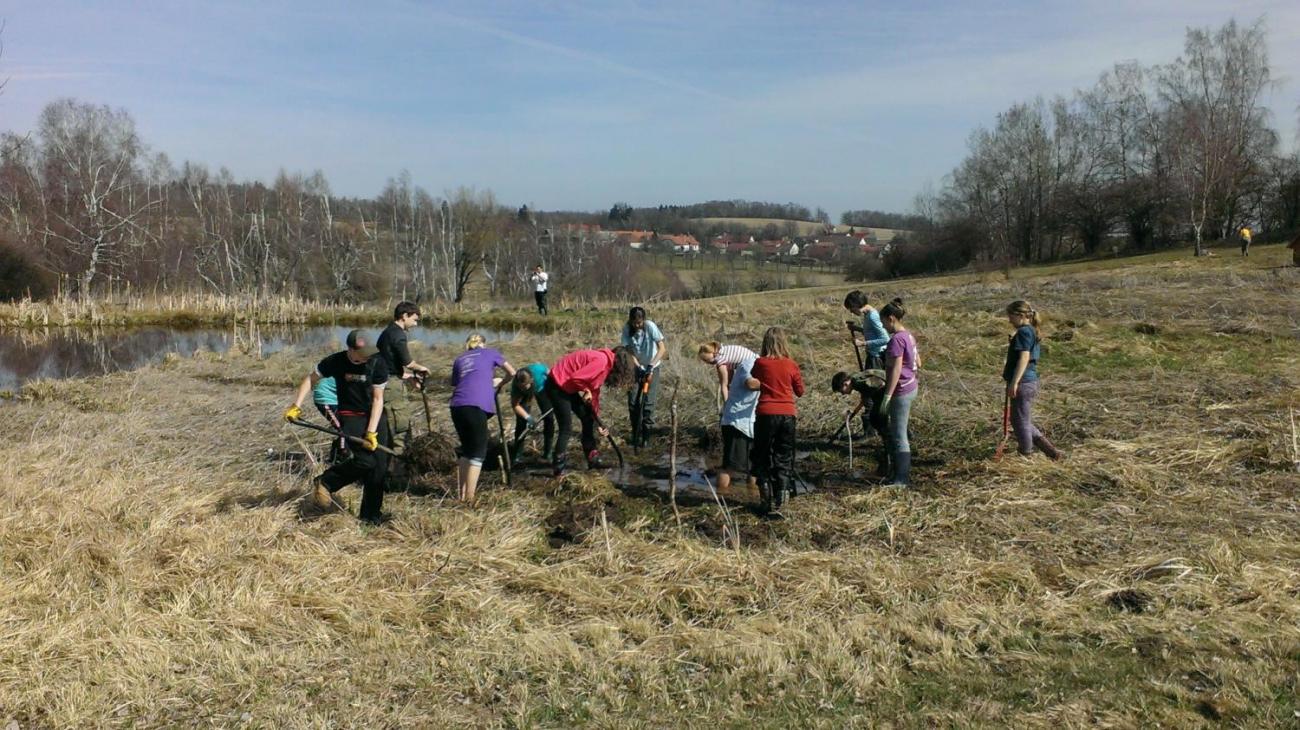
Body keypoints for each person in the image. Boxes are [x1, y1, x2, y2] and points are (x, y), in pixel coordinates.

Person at [284, 330, 391, 525]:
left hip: (375, 415)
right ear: (351, 350)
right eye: (363, 352)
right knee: (365, 461)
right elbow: (310, 380)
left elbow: (378, 399)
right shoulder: (336, 361)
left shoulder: (378, 363)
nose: (368, 355)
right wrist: (296, 406)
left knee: (379, 468)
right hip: (351, 416)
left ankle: (370, 517)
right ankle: (326, 482)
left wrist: (371, 432)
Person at [545, 346, 638, 476]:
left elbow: (594, 394)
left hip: (566, 386)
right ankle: (558, 466)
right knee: (566, 427)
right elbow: (576, 378)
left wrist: (598, 422)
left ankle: (592, 457)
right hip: (556, 384)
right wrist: (586, 390)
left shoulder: (605, 366)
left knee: (588, 419)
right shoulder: (601, 361)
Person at [449, 334, 516, 502]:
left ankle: (462, 495)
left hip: (457, 406)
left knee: (467, 451)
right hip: (475, 405)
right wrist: (500, 382)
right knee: (478, 454)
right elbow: (512, 372)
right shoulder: (490, 353)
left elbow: (460, 382)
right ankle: (470, 499)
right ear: (483, 344)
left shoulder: (460, 359)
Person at [745, 327, 804, 518]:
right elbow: (800, 391)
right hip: (787, 414)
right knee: (784, 457)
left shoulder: (760, 363)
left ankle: (766, 502)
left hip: (765, 413)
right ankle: (782, 503)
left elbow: (755, 379)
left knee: (761, 455)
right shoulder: (791, 364)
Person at [1003, 300, 1063, 461]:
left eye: (1010, 316)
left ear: (1020, 315)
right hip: (1028, 382)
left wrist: (1015, 382)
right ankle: (1051, 452)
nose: (1009, 320)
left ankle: (1026, 454)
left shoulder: (1024, 332)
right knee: (1021, 419)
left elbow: (1024, 357)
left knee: (1020, 422)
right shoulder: (1029, 331)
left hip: (1023, 383)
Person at [376, 302, 431, 452]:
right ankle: (398, 461)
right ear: (404, 316)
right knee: (399, 423)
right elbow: (408, 362)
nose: (415, 324)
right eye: (414, 320)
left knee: (389, 420)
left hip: (385, 380)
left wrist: (407, 376)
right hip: (391, 385)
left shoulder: (387, 332)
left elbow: (390, 362)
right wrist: (421, 368)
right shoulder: (398, 334)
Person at [878, 298, 919, 487]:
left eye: (884, 322)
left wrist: (888, 395)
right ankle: (898, 473)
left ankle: (901, 479)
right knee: (899, 432)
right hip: (912, 385)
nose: (883, 326)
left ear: (891, 318)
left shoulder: (895, 340)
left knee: (899, 435)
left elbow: (894, 369)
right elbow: (919, 362)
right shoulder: (909, 336)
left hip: (901, 390)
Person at [716, 344, 760, 497]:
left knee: (755, 466)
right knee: (729, 465)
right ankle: (721, 497)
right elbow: (750, 383)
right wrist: (774, 383)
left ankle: (753, 496)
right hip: (737, 422)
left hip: (750, 421)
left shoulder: (757, 363)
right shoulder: (750, 363)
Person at [831, 368, 890, 477]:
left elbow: (880, 383)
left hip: (889, 394)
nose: (843, 394)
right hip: (885, 394)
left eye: (841, 391)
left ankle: (890, 447)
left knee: (876, 419)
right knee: (874, 418)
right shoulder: (856, 379)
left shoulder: (858, 382)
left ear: (845, 384)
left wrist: (871, 396)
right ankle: (888, 443)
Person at [621, 306, 666, 445]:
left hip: (653, 366)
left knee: (648, 403)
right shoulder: (627, 329)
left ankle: (646, 435)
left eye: (639, 322)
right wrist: (638, 367)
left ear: (643, 320)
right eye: (634, 322)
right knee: (633, 401)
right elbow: (629, 350)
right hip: (636, 367)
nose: (637, 325)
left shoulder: (650, 326)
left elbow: (662, 349)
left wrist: (651, 366)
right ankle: (636, 433)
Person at [510, 362, 556, 463]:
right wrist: (528, 417)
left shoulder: (538, 370)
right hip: (525, 396)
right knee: (521, 422)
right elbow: (515, 405)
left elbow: (553, 376)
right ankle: (517, 456)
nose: (522, 388)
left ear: (531, 380)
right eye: (520, 386)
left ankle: (547, 454)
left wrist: (555, 394)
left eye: (524, 386)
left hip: (541, 389)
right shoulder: (516, 387)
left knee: (549, 418)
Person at [697, 341, 758, 406]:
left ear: (711, 353)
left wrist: (726, 405)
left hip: (751, 365)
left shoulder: (720, 360)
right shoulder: (724, 350)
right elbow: (730, 378)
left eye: (706, 360)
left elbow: (724, 385)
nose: (707, 362)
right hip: (756, 359)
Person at [843, 290, 890, 370]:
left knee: (874, 382)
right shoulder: (868, 314)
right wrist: (856, 328)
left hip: (876, 358)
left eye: (851, 308)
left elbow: (885, 339)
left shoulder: (872, 316)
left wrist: (863, 343)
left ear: (857, 304)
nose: (851, 311)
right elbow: (872, 331)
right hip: (873, 355)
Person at [312, 369, 345, 463]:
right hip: (326, 398)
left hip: (336, 398)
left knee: (348, 425)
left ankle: (337, 454)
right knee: (342, 428)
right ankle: (341, 456)